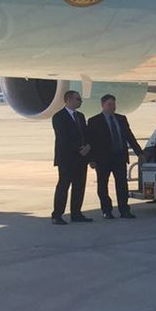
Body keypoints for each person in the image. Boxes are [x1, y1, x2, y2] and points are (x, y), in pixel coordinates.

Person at [86, 94, 145, 219]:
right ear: (102, 105)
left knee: (122, 185)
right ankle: (107, 210)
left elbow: (129, 137)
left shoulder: (121, 119)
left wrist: (139, 152)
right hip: (103, 159)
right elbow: (90, 141)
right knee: (103, 186)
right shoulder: (94, 121)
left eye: (113, 104)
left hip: (119, 157)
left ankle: (124, 210)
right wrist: (91, 159)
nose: (112, 107)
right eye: (109, 104)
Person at [51, 90, 92, 225]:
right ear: (68, 100)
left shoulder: (80, 116)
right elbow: (63, 138)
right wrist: (79, 149)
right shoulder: (59, 117)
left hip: (81, 158)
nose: (80, 102)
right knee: (63, 186)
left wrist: (88, 147)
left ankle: (76, 213)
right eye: (78, 99)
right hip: (67, 159)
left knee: (79, 187)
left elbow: (85, 134)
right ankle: (57, 214)